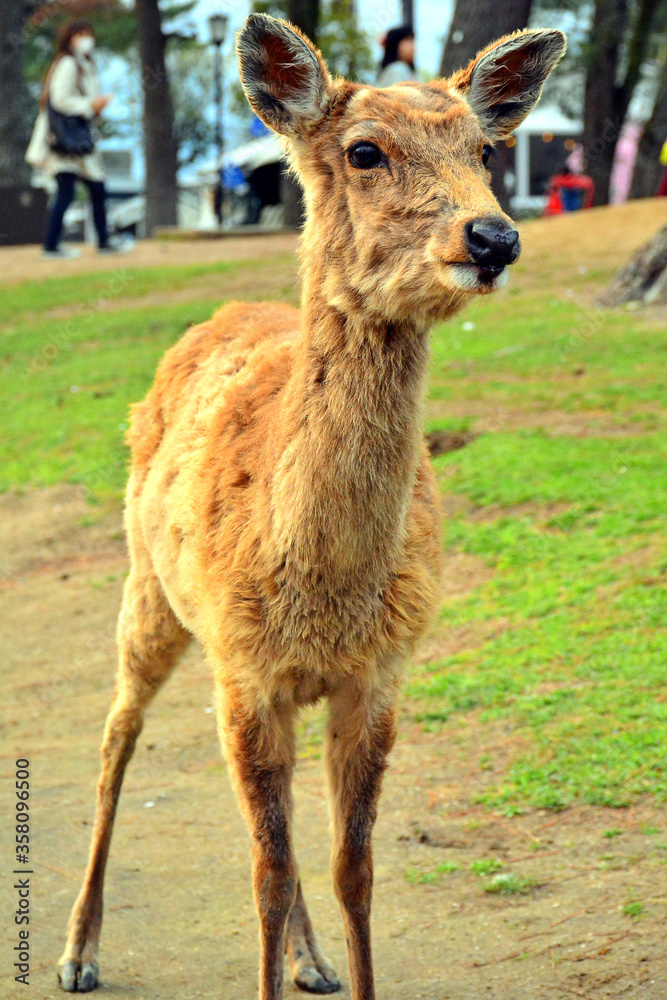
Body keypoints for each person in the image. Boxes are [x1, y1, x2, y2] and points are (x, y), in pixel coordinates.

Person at [26, 20, 129, 258]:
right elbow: (60, 100)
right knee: (67, 191)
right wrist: (89, 105)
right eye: (80, 34)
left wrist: (95, 107)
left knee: (97, 187)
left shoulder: (87, 65)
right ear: (70, 38)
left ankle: (103, 240)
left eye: (88, 33)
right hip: (66, 139)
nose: (85, 38)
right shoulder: (68, 63)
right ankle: (51, 245)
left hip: (80, 139)